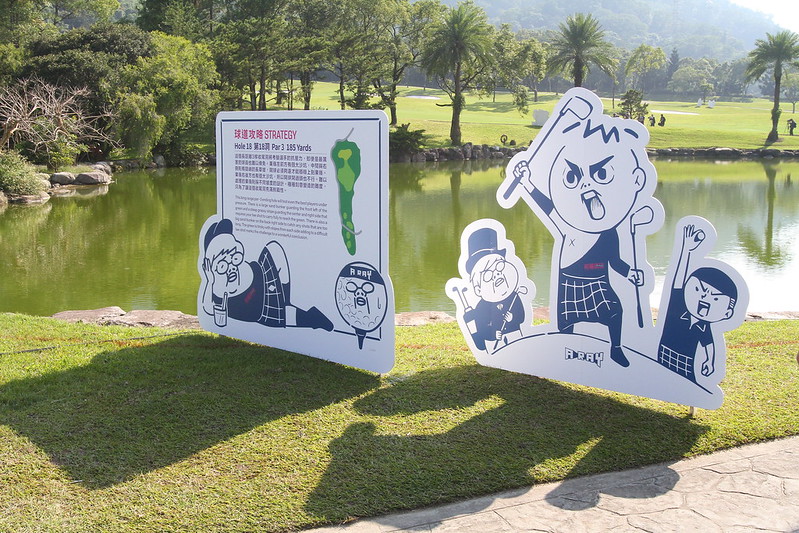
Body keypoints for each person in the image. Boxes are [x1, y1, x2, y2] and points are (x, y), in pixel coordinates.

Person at [512, 118, 650, 368]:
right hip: (570, 280)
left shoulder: (610, 231)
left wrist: (631, 273)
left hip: (598, 281)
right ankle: (564, 354)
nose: (586, 184)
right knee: (566, 322)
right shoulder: (568, 224)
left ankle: (616, 349)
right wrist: (527, 183)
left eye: (600, 175)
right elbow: (548, 207)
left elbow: (615, 261)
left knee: (615, 311)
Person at [200, 218, 334, 331]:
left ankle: (285, 301)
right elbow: (208, 308)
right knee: (281, 313)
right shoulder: (217, 292)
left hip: (261, 278)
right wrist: (209, 279)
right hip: (258, 306)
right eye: (223, 266)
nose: (231, 268)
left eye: (235, 258)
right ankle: (310, 318)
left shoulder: (238, 268)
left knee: (274, 248)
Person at [657, 224, 738, 382]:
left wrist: (709, 361)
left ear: (727, 313)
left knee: (683, 385)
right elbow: (678, 280)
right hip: (662, 356)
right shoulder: (677, 306)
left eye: (715, 298)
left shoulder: (703, 326)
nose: (704, 297)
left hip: (686, 366)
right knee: (661, 380)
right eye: (698, 289)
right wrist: (686, 250)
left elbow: (708, 344)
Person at [461, 227, 526, 353]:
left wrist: (512, 318)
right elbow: (481, 329)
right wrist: (493, 334)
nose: (496, 274)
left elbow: (522, 317)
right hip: (495, 347)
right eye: (488, 274)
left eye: (499, 266)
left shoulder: (514, 297)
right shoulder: (481, 307)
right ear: (478, 289)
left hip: (516, 338)